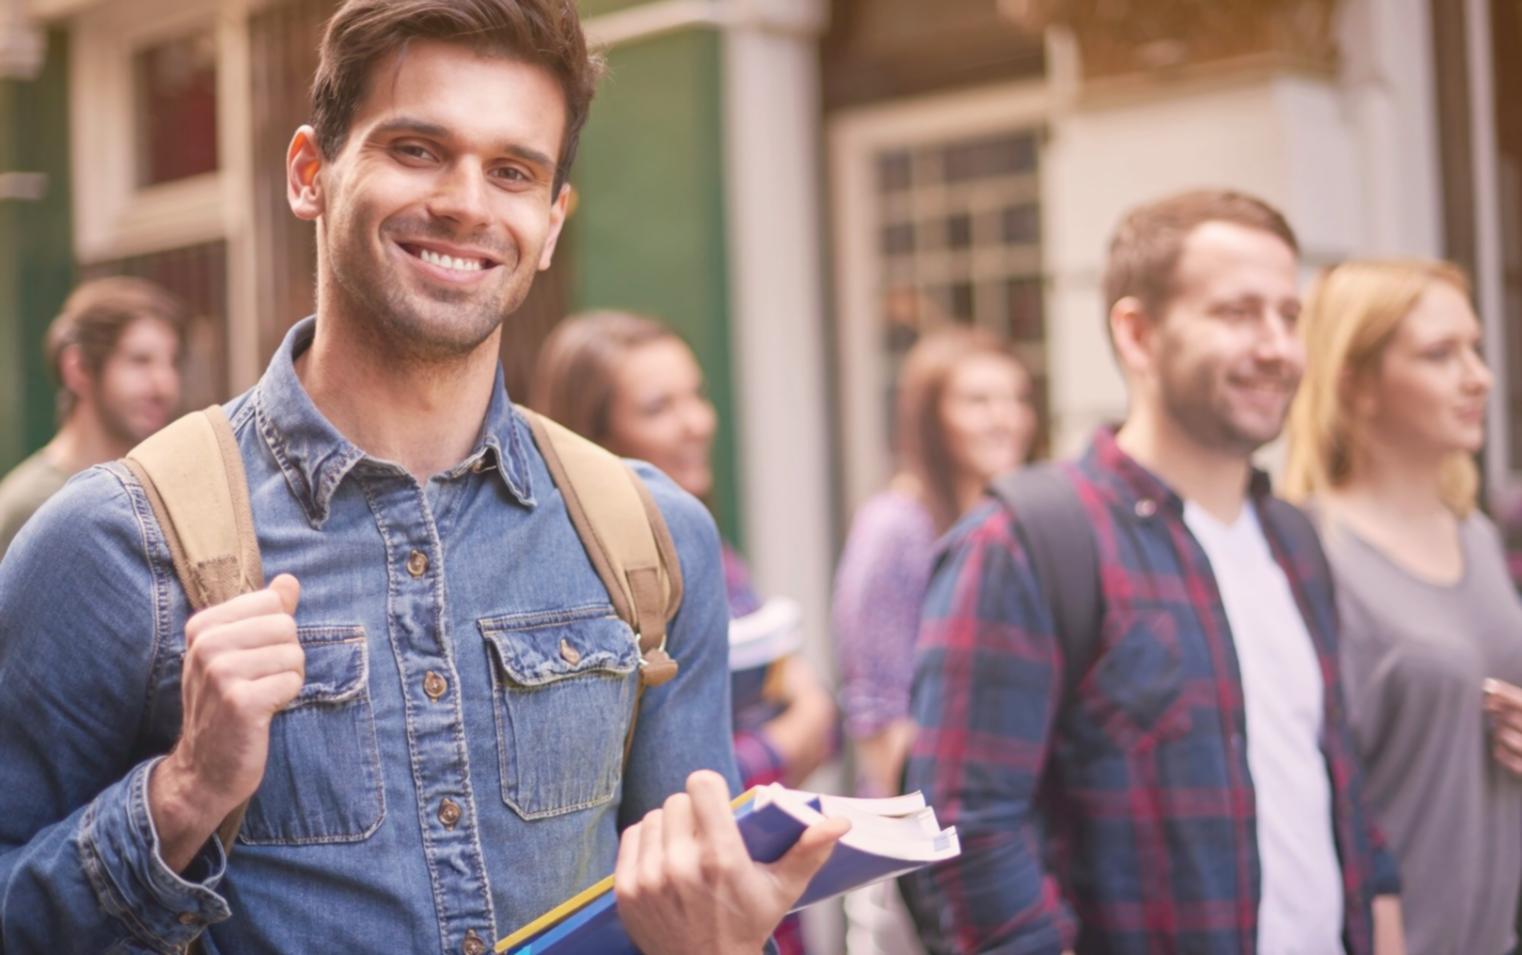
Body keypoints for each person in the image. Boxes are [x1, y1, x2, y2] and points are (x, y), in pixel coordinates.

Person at [0, 2, 845, 952]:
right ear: (311, 173)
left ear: (553, 221)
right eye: (416, 148)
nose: (467, 203)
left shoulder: (649, 537)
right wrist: (184, 790)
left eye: (513, 171)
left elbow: (690, 905)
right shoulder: (112, 542)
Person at [900, 189, 1403, 955]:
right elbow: (964, 837)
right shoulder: (1027, 542)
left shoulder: (1295, 541)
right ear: (1137, 333)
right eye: (1237, 313)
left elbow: (1343, 797)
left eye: (1289, 316)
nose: (1276, 347)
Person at [532, 310, 838, 955]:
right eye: (659, 407)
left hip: (752, 907)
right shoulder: (574, 578)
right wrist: (786, 743)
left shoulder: (709, 547)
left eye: (695, 395)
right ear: (593, 429)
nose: (698, 421)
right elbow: (642, 790)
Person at [1283, 259, 1522, 955]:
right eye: (1440, 354)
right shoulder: (1310, 552)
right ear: (1355, 384)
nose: (1478, 376)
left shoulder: (1476, 536)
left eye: (1474, 348)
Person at [831, 326, 1034, 955]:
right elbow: (877, 714)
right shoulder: (896, 526)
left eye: (1017, 398)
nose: (1005, 419)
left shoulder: (1016, 524)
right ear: (930, 418)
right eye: (978, 401)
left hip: (1003, 836)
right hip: (916, 856)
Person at [0, 276, 186, 557]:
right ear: (78, 369)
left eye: (171, 363)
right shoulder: (29, 507)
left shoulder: (158, 492)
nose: (165, 385)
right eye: (139, 361)